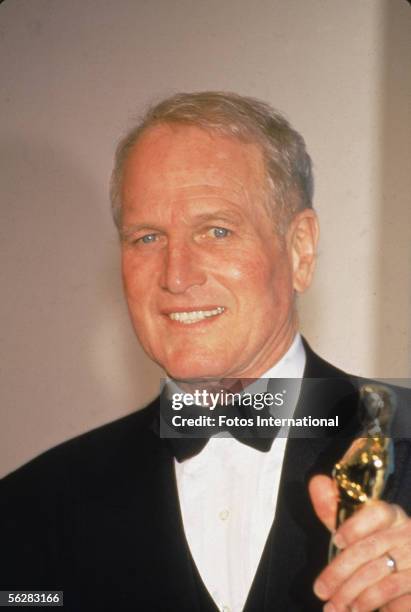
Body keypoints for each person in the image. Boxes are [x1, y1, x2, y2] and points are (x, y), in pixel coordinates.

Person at [1, 91, 411, 612]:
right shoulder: (30, 507)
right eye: (147, 238)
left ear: (300, 249)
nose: (176, 276)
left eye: (216, 231)